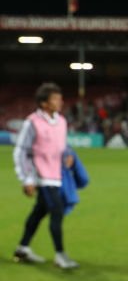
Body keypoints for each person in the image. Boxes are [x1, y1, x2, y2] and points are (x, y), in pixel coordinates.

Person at [12, 82, 79, 269]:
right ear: (44, 103)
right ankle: (60, 255)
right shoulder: (32, 122)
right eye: (55, 99)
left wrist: (68, 156)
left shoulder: (62, 121)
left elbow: (62, 146)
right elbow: (20, 151)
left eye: (60, 98)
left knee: (39, 212)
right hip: (42, 178)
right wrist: (27, 179)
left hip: (57, 176)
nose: (60, 102)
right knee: (56, 213)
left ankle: (22, 248)